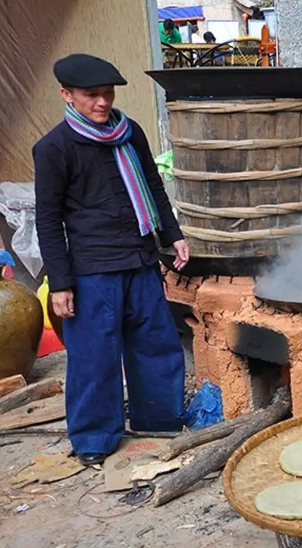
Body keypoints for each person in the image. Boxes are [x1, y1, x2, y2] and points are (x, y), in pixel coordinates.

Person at [33, 54, 191, 467]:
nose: (102, 103)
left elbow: (154, 187)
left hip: (140, 261)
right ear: (66, 95)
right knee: (94, 358)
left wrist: (172, 236)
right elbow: (48, 221)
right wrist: (61, 283)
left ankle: (159, 420)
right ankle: (94, 438)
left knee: (156, 345)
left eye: (108, 94)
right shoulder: (53, 148)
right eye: (91, 96)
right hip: (91, 271)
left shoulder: (129, 132)